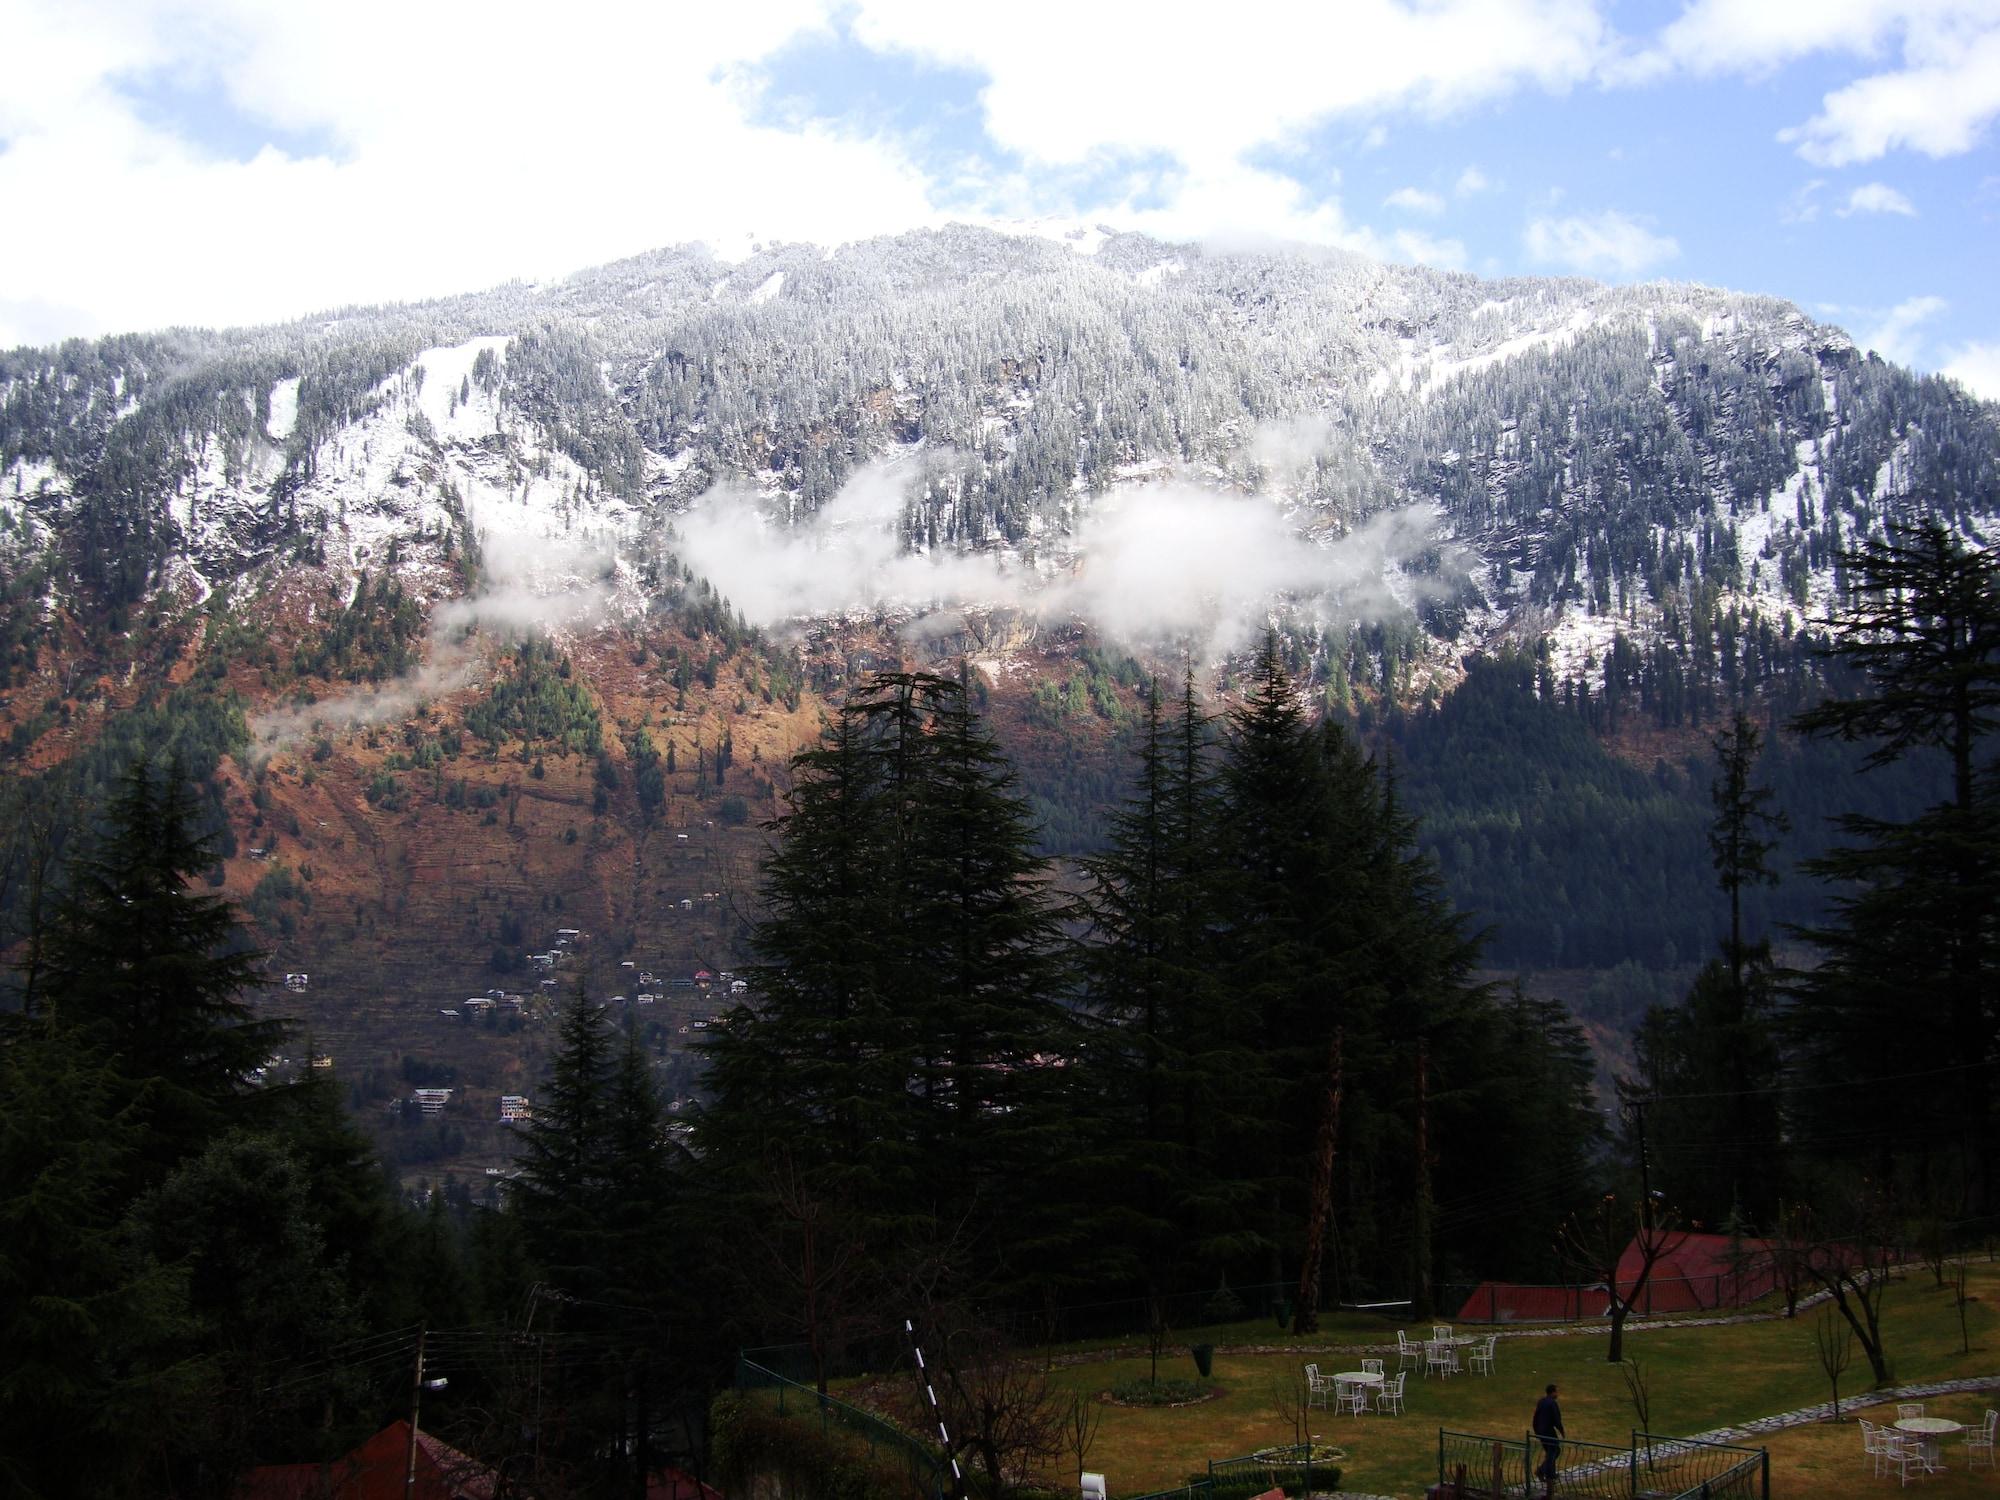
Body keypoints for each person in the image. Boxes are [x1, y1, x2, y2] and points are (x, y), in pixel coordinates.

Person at [1533, 1382, 1565, 1493]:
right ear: (1552, 1392)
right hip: (1548, 1432)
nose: (1558, 1393)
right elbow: (1557, 1419)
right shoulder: (1552, 1403)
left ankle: (1549, 1473)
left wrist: (1536, 1430)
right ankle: (1544, 1472)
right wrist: (1561, 1431)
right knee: (1554, 1451)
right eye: (1556, 1391)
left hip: (1541, 1431)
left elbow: (1536, 1416)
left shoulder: (1541, 1401)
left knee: (1551, 1452)